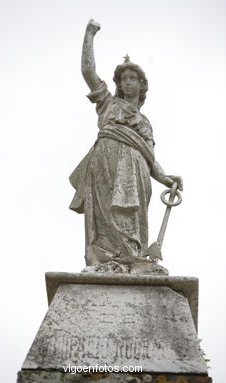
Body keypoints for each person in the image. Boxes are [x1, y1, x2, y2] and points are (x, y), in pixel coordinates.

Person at [69, 20, 182, 267]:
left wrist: (166, 179)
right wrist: (89, 35)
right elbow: (88, 72)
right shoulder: (108, 104)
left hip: (136, 171)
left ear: (142, 86)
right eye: (123, 78)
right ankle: (105, 260)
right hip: (105, 161)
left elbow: (150, 158)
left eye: (133, 78)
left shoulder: (145, 123)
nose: (127, 82)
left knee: (129, 216)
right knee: (106, 213)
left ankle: (133, 258)